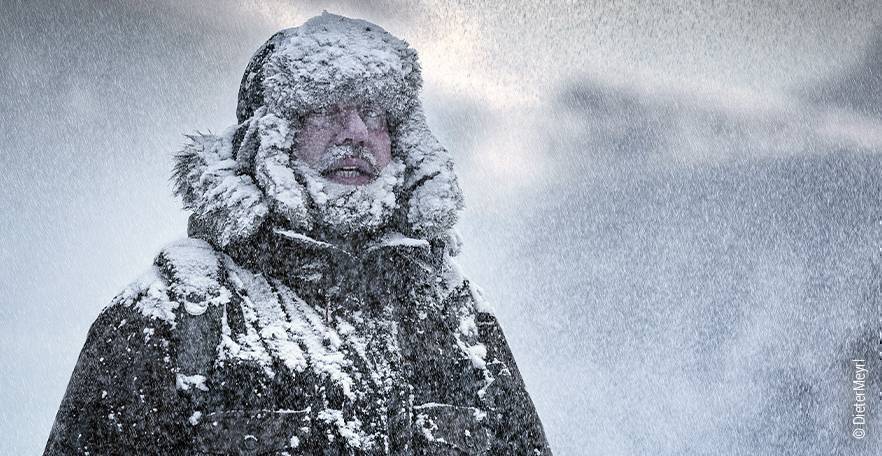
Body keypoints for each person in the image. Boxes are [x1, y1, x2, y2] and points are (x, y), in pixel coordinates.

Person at [44, 12, 552, 455]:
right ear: (270, 138)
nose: (354, 131)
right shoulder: (173, 315)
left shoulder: (457, 317)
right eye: (325, 108)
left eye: (374, 113)